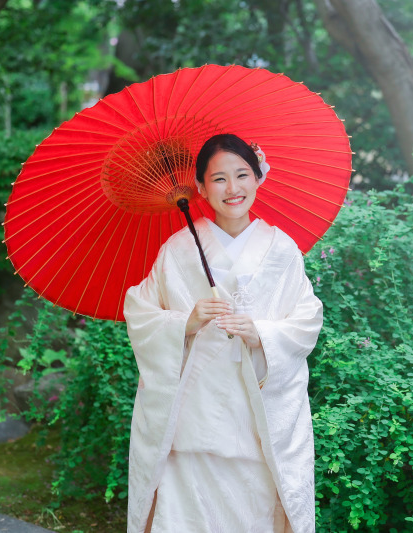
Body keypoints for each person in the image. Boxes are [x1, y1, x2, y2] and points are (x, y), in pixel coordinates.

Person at [123, 133, 323, 533]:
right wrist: (187, 321)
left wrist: (261, 333)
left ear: (258, 178)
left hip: (255, 422)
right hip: (192, 420)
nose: (233, 189)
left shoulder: (281, 250)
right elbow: (139, 311)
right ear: (199, 188)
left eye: (242, 174)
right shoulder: (178, 250)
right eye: (218, 179)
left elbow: (306, 320)